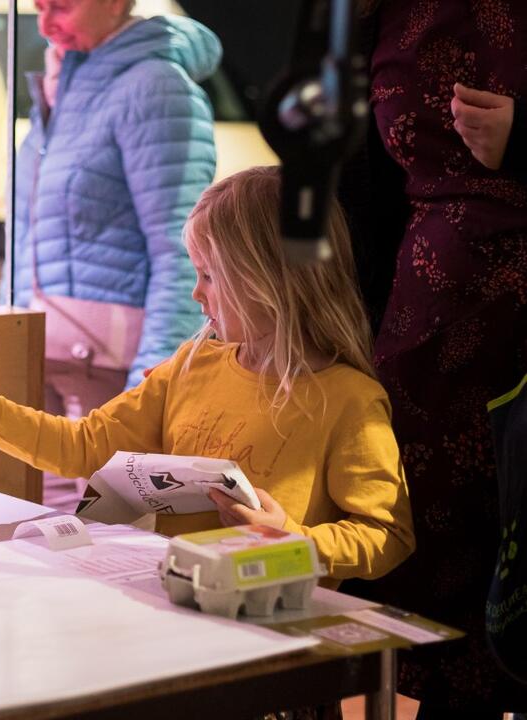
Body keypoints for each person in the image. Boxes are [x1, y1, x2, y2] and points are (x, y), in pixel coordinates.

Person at [0, 166, 416, 584]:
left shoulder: (350, 401)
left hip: (272, 631)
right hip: (174, 605)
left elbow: (387, 536)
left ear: (270, 279)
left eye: (209, 275)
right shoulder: (189, 366)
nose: (196, 295)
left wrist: (290, 537)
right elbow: (83, 446)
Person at [335, 0, 527, 713]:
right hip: (426, 325)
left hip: (503, 318)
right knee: (431, 564)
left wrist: (523, 137)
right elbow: (358, 174)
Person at [11, 0, 220, 419]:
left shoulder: (156, 86)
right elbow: (25, 236)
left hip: (109, 367)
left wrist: (155, 378)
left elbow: (181, 249)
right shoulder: (62, 88)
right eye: (39, 8)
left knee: (99, 486)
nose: (46, 25)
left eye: (62, 8)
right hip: (40, 353)